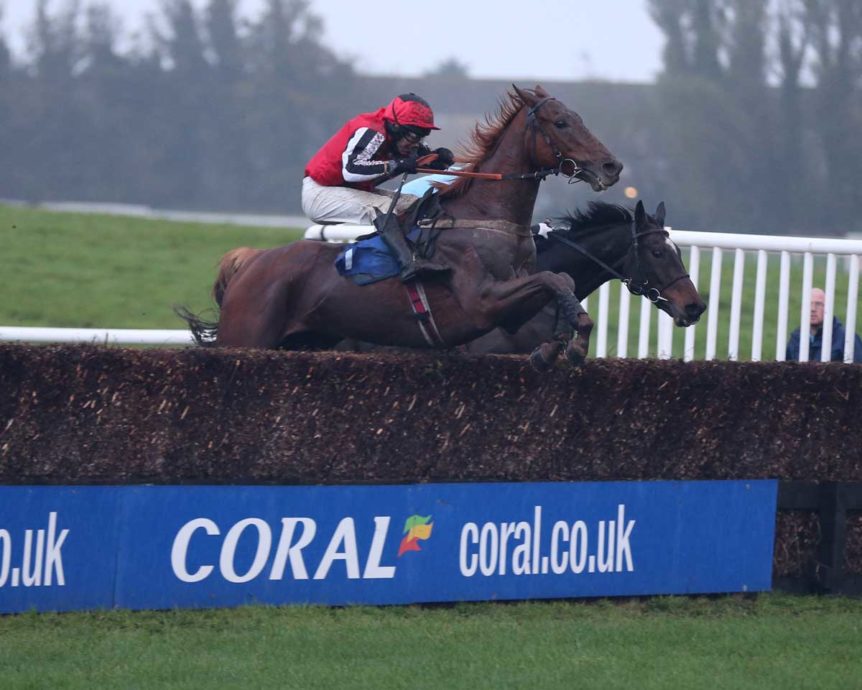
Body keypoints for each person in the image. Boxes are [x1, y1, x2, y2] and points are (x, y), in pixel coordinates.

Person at [302, 93, 455, 281]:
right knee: (382, 206)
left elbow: (412, 160)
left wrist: (436, 160)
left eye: (423, 136)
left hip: (346, 191)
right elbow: (350, 170)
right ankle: (409, 264)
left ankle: (424, 255)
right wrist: (397, 165)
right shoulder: (371, 131)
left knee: (414, 205)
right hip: (319, 193)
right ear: (395, 126)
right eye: (414, 135)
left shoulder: (396, 137)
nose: (417, 143)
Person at [786, 287, 862, 362]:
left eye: (818, 304)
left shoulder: (846, 338)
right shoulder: (795, 339)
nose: (813, 309)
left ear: (829, 308)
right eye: (808, 304)